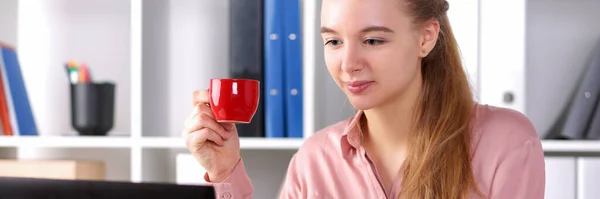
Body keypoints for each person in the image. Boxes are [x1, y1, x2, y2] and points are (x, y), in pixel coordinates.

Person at [182, 0, 546, 198]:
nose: (348, 64)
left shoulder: (504, 141)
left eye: (373, 40)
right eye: (333, 41)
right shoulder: (315, 159)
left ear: (426, 38)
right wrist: (224, 170)